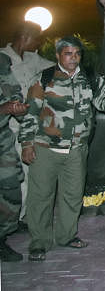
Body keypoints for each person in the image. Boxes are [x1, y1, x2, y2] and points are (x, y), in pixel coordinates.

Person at [18, 37, 105, 262]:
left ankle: (66, 236)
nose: (73, 58)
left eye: (77, 53)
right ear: (58, 55)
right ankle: (39, 242)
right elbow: (30, 115)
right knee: (41, 197)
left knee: (73, 195)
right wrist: (27, 145)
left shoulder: (89, 78)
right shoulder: (44, 79)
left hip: (77, 150)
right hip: (46, 148)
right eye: (68, 54)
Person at [2, 21, 50, 226]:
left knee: (28, 174)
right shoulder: (3, 59)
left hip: (27, 125)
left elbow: (53, 67)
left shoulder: (32, 58)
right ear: (25, 37)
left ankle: (21, 218)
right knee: (15, 178)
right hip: (8, 127)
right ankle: (13, 221)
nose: (39, 43)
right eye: (36, 38)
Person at [0, 52, 29, 262]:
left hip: (3, 142)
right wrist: (3, 109)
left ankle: (7, 227)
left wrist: (17, 107)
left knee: (12, 190)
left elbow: (14, 91)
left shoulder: (1, 62)